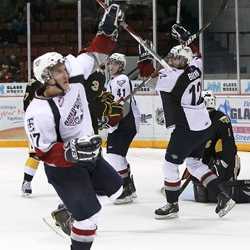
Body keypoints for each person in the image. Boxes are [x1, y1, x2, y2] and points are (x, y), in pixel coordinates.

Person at [24, 5, 125, 250]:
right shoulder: (36, 112)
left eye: (63, 68)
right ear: (46, 78)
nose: (65, 74)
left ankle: (66, 210)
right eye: (58, 72)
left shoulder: (74, 72)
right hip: (64, 169)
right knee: (90, 219)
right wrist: (72, 151)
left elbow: (95, 53)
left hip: (90, 156)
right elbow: (44, 152)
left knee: (117, 188)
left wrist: (108, 28)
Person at [154, 24, 236, 219]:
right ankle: (224, 196)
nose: (174, 60)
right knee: (194, 164)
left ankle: (172, 204)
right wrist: (188, 39)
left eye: (179, 58)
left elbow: (159, 81)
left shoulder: (170, 78)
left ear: (185, 61)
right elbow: (198, 55)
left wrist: (150, 65)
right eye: (174, 57)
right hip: (203, 127)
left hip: (187, 129)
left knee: (169, 164)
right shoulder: (196, 68)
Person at [104, 52, 140, 204]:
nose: (111, 66)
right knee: (118, 156)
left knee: (114, 156)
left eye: (115, 63)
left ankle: (125, 190)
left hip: (125, 122)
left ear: (121, 66)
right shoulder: (112, 81)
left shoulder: (121, 80)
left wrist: (111, 121)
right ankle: (129, 188)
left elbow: (121, 105)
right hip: (123, 122)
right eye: (110, 63)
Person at [192, 90, 240, 202]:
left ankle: (225, 183)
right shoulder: (198, 119)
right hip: (208, 158)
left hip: (222, 160)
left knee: (222, 175)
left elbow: (229, 146)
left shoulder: (221, 119)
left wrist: (223, 163)